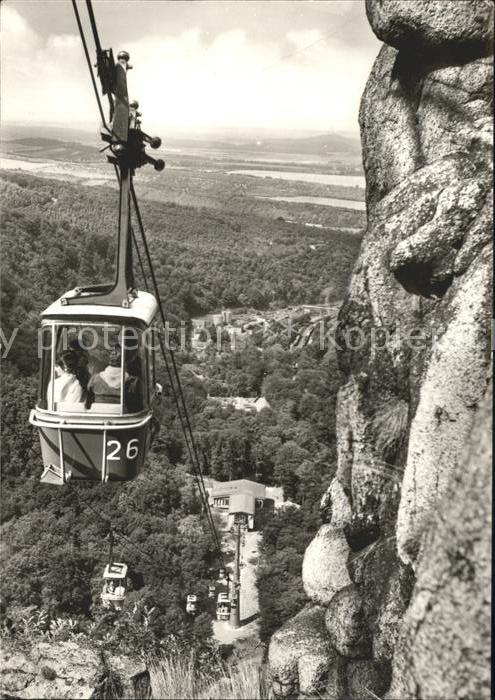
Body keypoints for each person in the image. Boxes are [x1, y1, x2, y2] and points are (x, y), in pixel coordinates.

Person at [87, 342, 128, 406]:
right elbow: (88, 404)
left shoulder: (132, 381)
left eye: (118, 351)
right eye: (112, 351)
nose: (113, 353)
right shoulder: (95, 379)